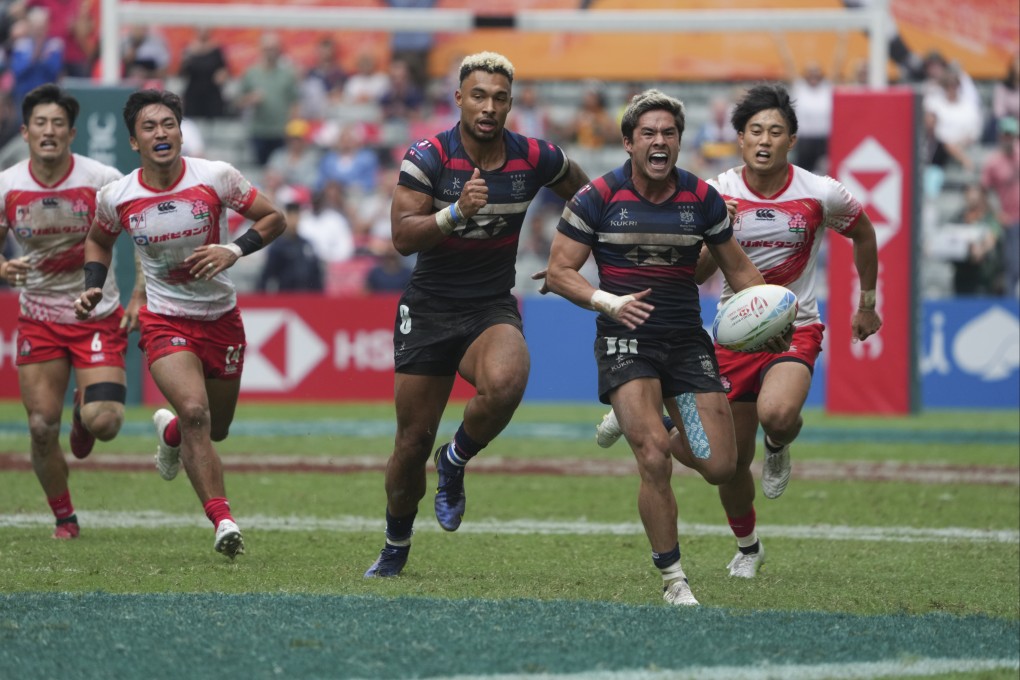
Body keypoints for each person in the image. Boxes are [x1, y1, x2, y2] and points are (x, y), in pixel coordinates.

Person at [594, 83, 882, 581]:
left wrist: (868, 301)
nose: (764, 140)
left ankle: (780, 441)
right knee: (726, 464)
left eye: (775, 131)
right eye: (754, 131)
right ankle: (747, 546)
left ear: (792, 139)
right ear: (741, 139)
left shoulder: (820, 192)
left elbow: (863, 232)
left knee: (779, 412)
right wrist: (712, 233)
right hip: (732, 335)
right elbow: (695, 273)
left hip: (796, 325)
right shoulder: (715, 194)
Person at [364, 51, 589, 578]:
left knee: (508, 380)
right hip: (429, 308)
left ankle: (455, 459)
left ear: (512, 104)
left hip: (489, 305)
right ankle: (396, 546)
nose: (489, 107)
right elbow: (401, 237)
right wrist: (455, 212)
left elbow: (587, 197)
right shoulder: (428, 156)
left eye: (500, 98)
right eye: (479, 96)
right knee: (410, 442)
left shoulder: (535, 155)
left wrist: (567, 257)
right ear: (459, 98)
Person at [545, 89, 770, 606]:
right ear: (628, 142)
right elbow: (559, 273)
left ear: (679, 141)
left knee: (719, 465)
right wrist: (607, 301)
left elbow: (736, 266)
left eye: (669, 132)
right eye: (648, 132)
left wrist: (769, 313)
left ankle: (656, 422)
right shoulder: (596, 197)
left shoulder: (701, 199)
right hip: (625, 342)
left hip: (686, 340)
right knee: (652, 457)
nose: (660, 140)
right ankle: (674, 579)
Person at [73, 89, 286, 558]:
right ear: (134, 142)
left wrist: (233, 249)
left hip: (221, 319)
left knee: (215, 428)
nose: (161, 133)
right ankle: (222, 519)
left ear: (181, 131)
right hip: (165, 318)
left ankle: (169, 434)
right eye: (149, 127)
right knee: (195, 411)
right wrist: (93, 283)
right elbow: (98, 242)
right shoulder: (117, 195)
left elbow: (275, 218)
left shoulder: (216, 177)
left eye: (168, 123)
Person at [0, 83, 144, 539]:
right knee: (42, 426)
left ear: (71, 133)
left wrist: (140, 294)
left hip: (95, 313)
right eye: (40, 123)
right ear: (25, 132)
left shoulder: (102, 179)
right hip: (39, 317)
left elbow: (142, 234)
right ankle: (64, 515)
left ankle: (84, 414)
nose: (49, 131)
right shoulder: (7, 185)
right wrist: (4, 266)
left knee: (106, 422)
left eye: (57, 124)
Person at [981, 116, 1020, 298]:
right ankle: (1011, 302)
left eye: (1011, 134)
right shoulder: (993, 162)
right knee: (1012, 264)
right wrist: (997, 214)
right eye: (1005, 134)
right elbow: (984, 192)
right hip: (1009, 220)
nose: (1008, 138)